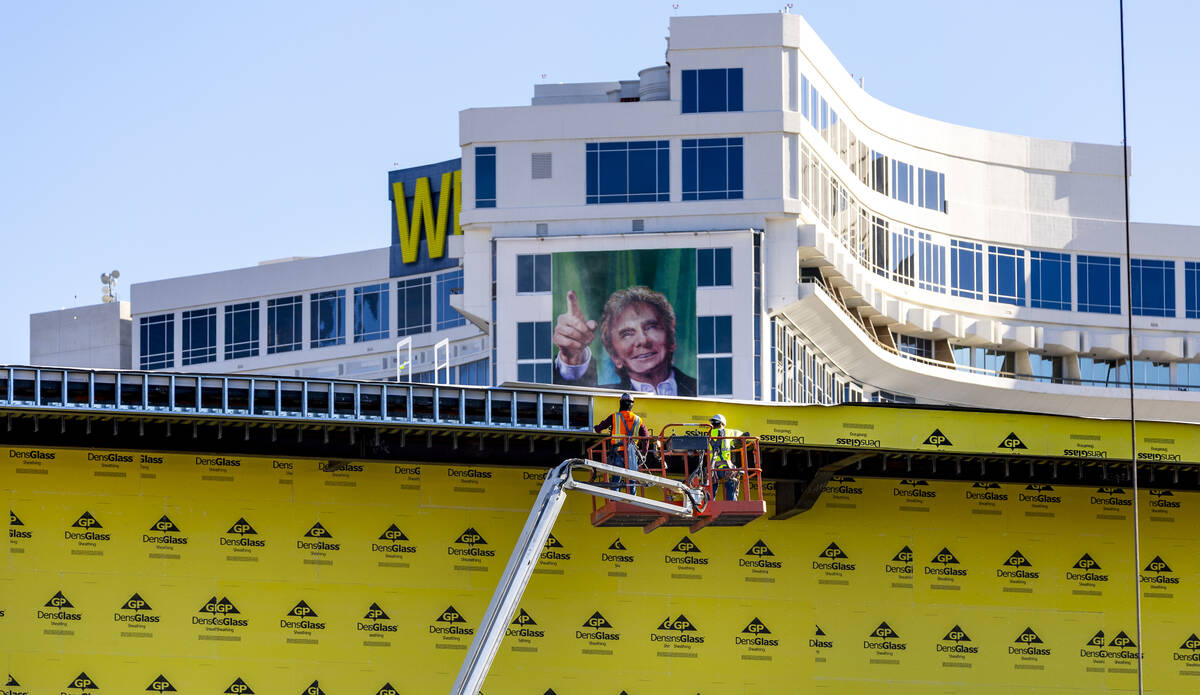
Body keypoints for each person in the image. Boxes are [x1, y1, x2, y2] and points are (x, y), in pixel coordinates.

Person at [554, 286, 697, 396]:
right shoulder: (603, 399)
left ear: (671, 338)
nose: (642, 340)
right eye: (627, 334)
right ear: (615, 356)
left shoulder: (701, 390)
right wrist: (573, 360)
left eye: (651, 326)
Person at [593, 392, 648, 492]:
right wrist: (644, 453)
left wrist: (596, 428)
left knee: (616, 479)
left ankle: (615, 499)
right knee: (632, 480)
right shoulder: (638, 419)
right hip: (632, 455)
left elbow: (600, 428)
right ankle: (632, 501)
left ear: (621, 403)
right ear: (632, 404)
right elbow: (646, 437)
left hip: (618, 452)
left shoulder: (614, 417)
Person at [707, 414, 745, 501]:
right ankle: (732, 503)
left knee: (712, 487)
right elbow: (741, 434)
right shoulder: (727, 432)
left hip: (712, 468)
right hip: (725, 467)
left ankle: (709, 504)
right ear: (722, 424)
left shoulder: (708, 434)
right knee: (730, 484)